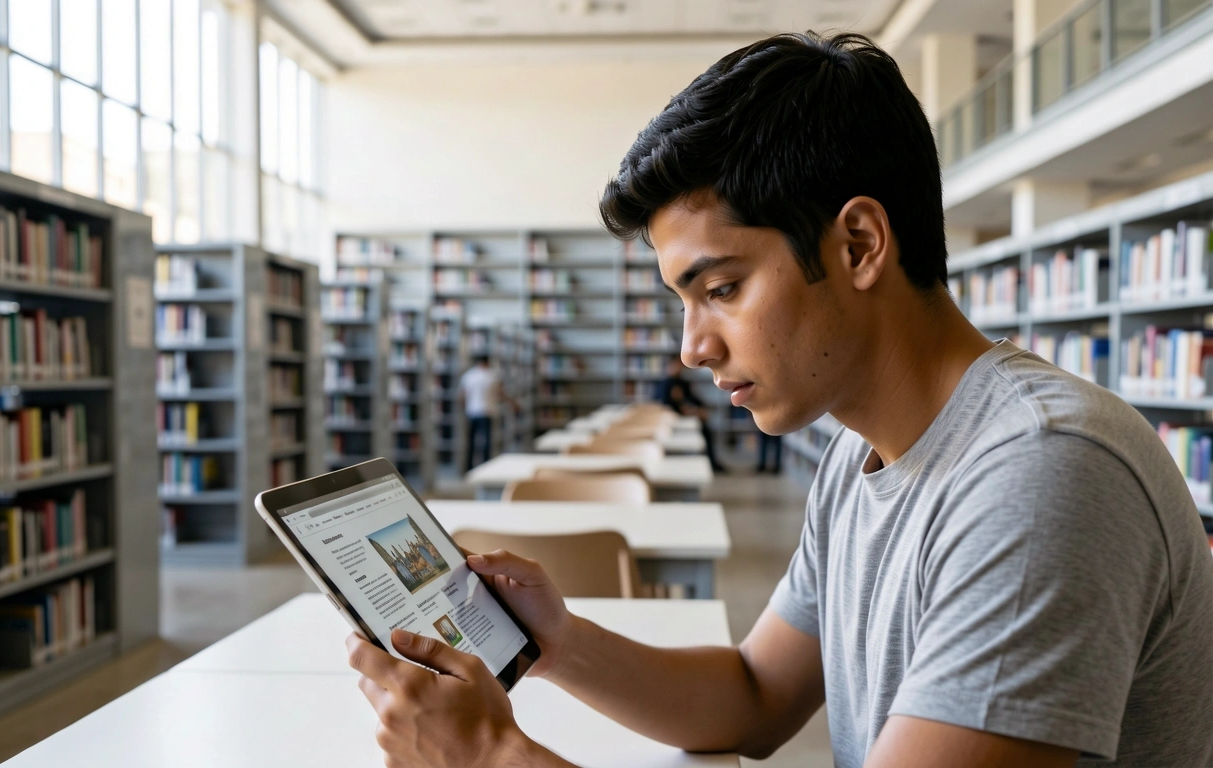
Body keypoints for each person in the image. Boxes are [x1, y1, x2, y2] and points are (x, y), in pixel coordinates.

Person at [346, 31, 1213, 768]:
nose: (692, 347)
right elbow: (756, 695)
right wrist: (559, 645)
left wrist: (498, 756)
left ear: (860, 243)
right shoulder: (858, 453)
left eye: (719, 288)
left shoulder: (1043, 471)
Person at [656, 356, 724, 472]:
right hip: (672, 419)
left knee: (706, 429)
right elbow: (663, 405)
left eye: (680, 365)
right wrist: (686, 410)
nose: (679, 368)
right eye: (676, 365)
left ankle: (711, 462)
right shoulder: (664, 384)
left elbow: (693, 398)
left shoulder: (682, 382)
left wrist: (700, 409)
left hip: (687, 416)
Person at [458, 355, 501, 471]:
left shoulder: (468, 376)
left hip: (472, 412)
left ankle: (469, 467)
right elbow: (500, 393)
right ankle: (486, 466)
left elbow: (462, 396)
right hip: (487, 412)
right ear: (487, 362)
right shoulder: (492, 376)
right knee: (486, 441)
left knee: (471, 441)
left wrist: (464, 408)